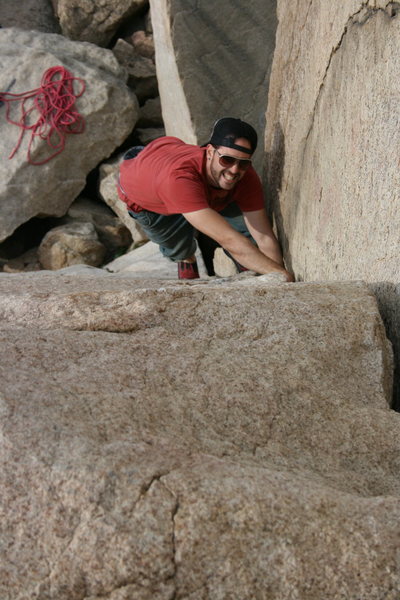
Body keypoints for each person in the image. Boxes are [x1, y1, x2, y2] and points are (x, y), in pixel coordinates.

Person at [117, 117, 293, 281]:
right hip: (145, 190)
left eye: (243, 163)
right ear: (209, 152)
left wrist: (276, 278)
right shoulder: (179, 179)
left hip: (182, 167)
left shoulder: (244, 176)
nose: (234, 170)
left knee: (248, 241)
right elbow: (230, 240)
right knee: (178, 248)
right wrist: (283, 276)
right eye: (227, 159)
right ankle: (186, 258)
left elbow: (264, 237)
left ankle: (249, 267)